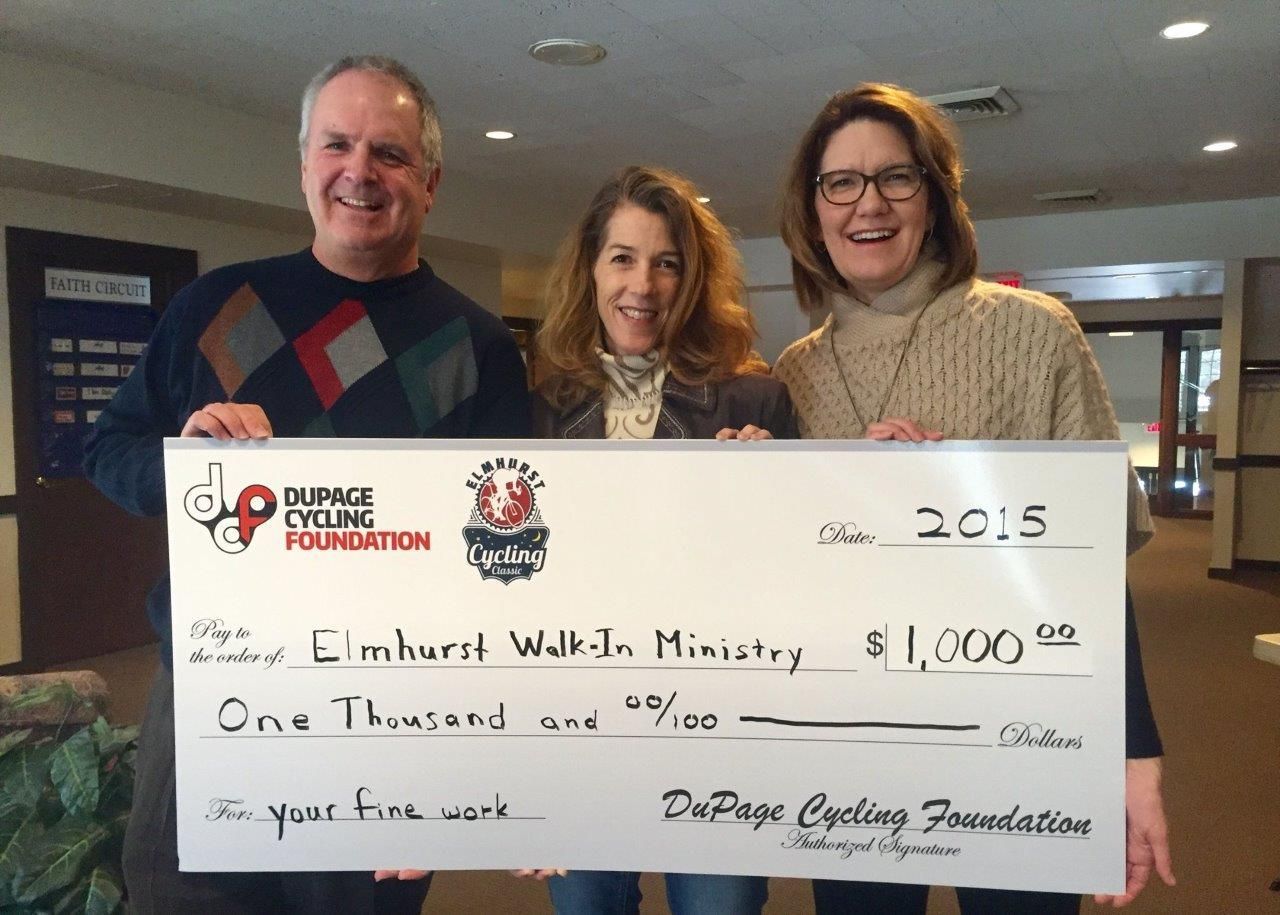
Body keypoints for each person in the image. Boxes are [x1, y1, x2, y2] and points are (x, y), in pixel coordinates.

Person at [83, 55, 530, 913]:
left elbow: (505, 559)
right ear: (303, 165)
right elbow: (109, 448)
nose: (359, 171)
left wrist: (461, 757)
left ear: (430, 181)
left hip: (389, 707)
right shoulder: (215, 307)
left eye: (389, 153)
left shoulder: (478, 347)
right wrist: (186, 460)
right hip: (214, 693)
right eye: (337, 144)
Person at [772, 83, 1175, 913]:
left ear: (938, 198)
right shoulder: (791, 375)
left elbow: (1093, 574)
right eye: (839, 183)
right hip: (853, 748)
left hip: (1020, 738)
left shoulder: (1035, 333)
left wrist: (1133, 754)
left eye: (897, 177)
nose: (868, 203)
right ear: (813, 211)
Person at [527, 164, 793, 913]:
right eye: (623, 258)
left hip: (716, 737)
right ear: (592, 269)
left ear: (693, 278)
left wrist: (771, 499)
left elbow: (797, 590)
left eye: (666, 262)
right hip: (581, 732)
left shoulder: (757, 398)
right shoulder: (543, 410)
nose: (642, 285)